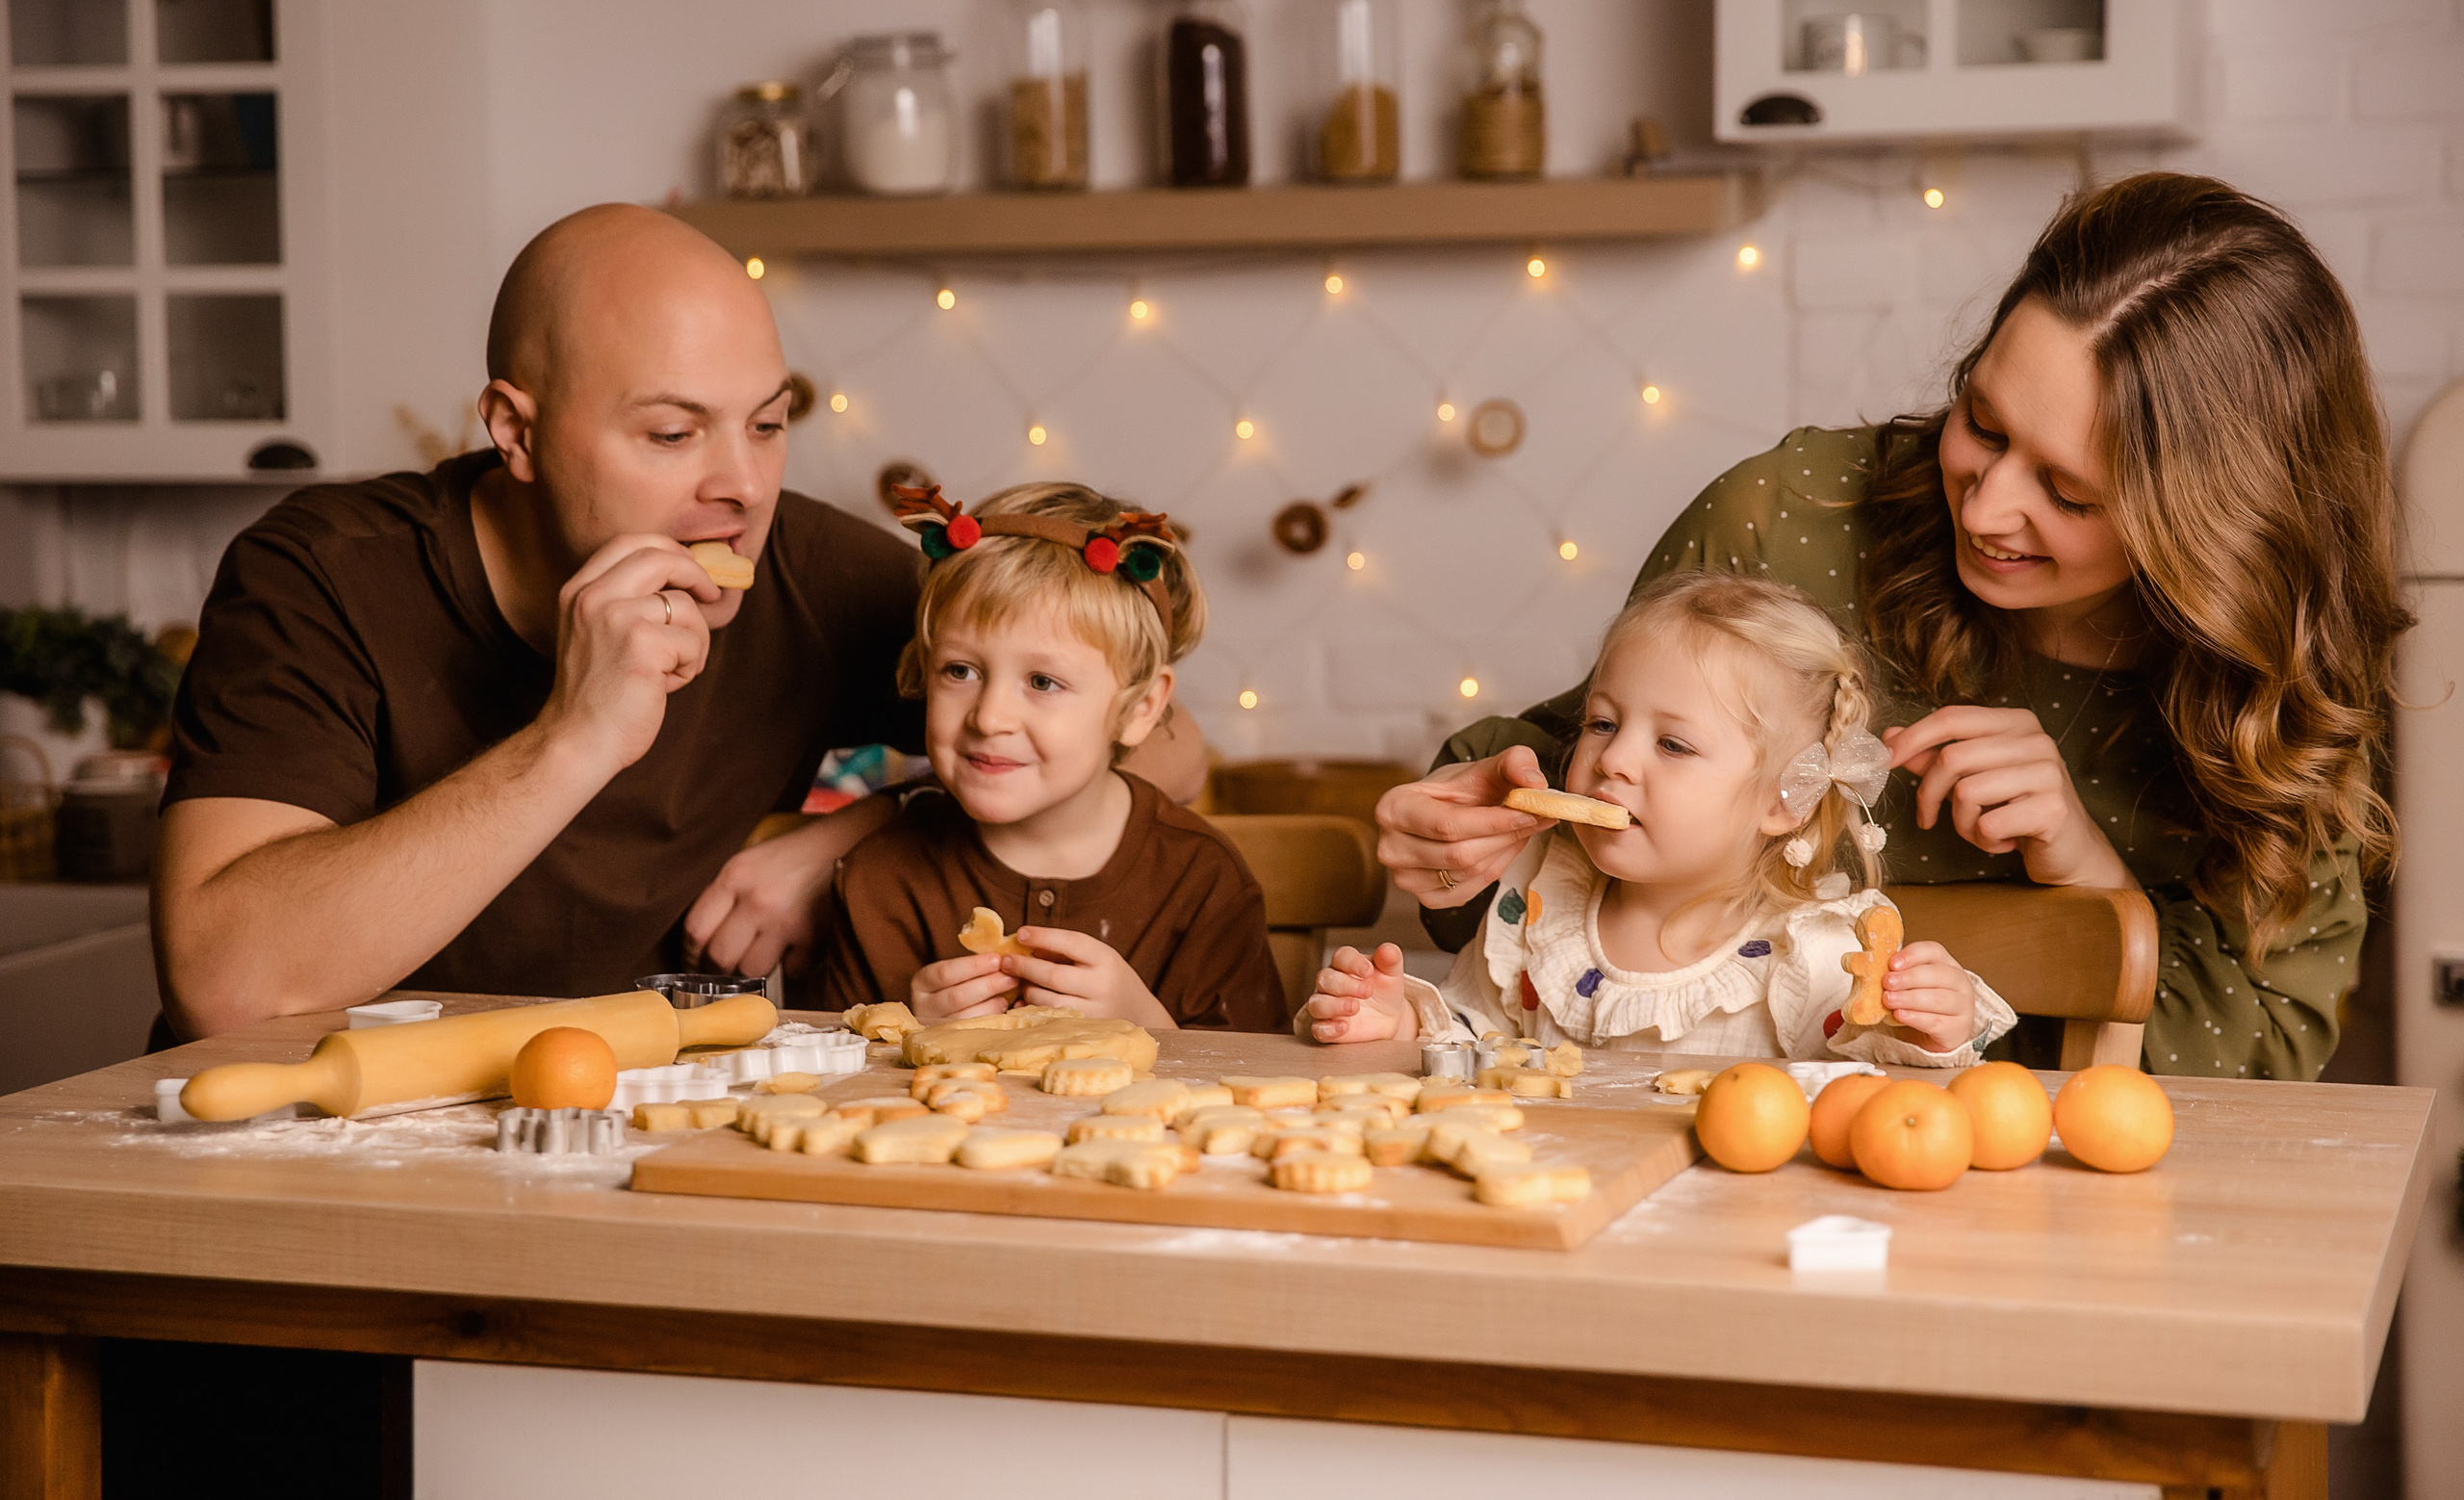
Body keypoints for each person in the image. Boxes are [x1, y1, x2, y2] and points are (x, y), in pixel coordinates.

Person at [1373, 173, 2404, 1081]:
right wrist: (1463, 830)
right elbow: (1559, 827)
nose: (1988, 507)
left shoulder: (2267, 671)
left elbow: (2262, 1050)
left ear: (2216, 529)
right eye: (1982, 425)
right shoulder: (1793, 517)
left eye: (2068, 493)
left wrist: (2083, 873)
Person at [153, 206, 1202, 1037]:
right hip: (317, 1151)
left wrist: (852, 841)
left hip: (636, 1137)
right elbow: (225, 984)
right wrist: (575, 737)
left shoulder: (802, 570)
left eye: (767, 424)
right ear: (515, 431)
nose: (741, 486)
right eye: (670, 433)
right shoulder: (324, 574)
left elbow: (1164, 754)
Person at [1304, 572, 2015, 1065]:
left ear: (1785, 799)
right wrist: (1399, 1021)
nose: (1614, 760)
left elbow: (1881, 1079)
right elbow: (1475, 1035)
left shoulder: (1814, 949)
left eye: (1672, 743)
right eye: (1602, 722)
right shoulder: (1539, 902)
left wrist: (1927, 1026)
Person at [812, 481, 1284, 1032]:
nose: (989, 717)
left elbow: (1259, 1088)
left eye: (1042, 681)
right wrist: (899, 1033)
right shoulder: (881, 878)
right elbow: (831, 1086)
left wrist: (1149, 1027)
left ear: (1141, 706)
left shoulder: (1202, 880)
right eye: (960, 670)